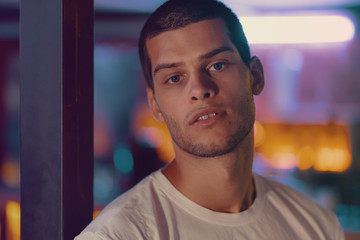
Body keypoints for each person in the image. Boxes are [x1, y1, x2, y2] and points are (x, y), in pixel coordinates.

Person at [75, 0, 345, 239]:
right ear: (155, 104)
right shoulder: (121, 234)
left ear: (255, 77)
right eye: (175, 78)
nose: (199, 89)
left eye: (217, 65)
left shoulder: (315, 225)